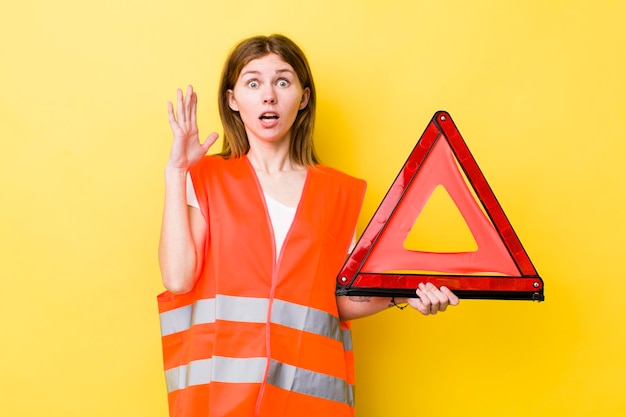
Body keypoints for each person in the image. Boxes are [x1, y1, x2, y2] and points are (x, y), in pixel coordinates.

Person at [157, 34, 459, 417]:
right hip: (221, 401)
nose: (269, 95)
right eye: (254, 83)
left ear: (302, 97)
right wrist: (176, 171)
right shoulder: (206, 178)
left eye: (283, 82)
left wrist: (402, 295)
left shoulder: (339, 193)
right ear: (233, 100)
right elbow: (178, 279)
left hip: (307, 401)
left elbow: (332, 300)